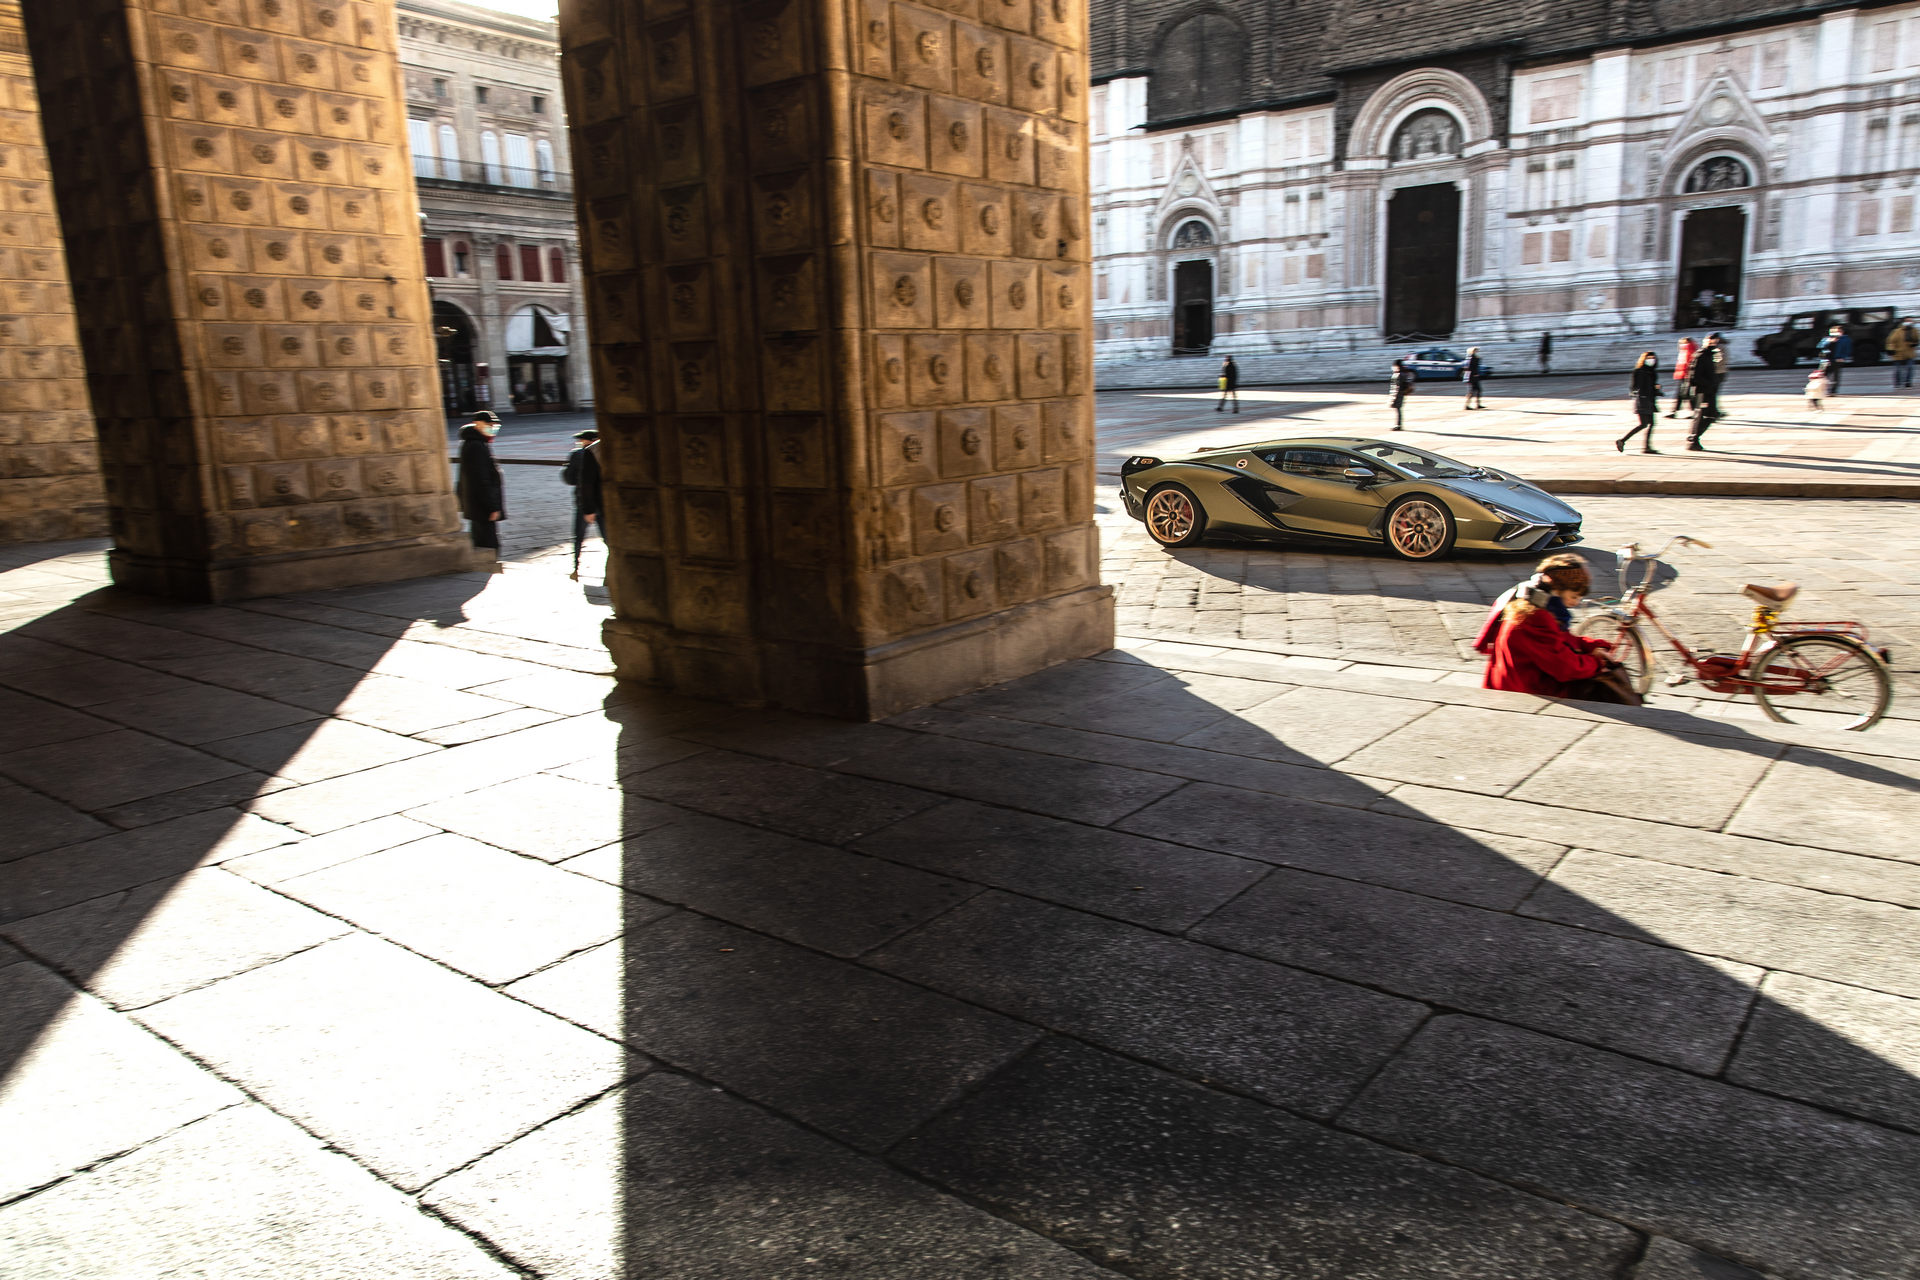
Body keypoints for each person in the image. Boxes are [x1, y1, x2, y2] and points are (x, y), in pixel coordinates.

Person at [1473, 554, 1632, 703]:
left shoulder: (1530, 606)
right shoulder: (1535, 617)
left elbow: (1560, 640)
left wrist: (1591, 647)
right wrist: (1597, 663)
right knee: (1607, 691)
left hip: (1518, 680)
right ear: (1556, 591)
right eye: (1574, 596)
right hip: (1525, 690)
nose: (1576, 602)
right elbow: (1564, 667)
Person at [456, 410, 504, 563]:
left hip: (476, 505)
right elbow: (481, 479)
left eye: (494, 426)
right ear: (477, 424)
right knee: (489, 545)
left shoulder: (474, 443)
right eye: (489, 425)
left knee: (482, 541)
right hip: (482, 507)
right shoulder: (476, 446)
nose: (492, 428)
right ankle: (486, 571)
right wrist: (492, 507)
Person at [560, 427, 603, 581]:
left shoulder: (578, 454)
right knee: (608, 539)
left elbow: (569, 479)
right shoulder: (603, 452)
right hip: (602, 504)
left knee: (578, 537)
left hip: (584, 504)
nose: (580, 442)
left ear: (589, 441)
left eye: (582, 440)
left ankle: (575, 568)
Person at [1686, 333, 1727, 451]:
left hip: (1710, 391)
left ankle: (1694, 437)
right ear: (1706, 342)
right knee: (1701, 415)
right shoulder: (1700, 356)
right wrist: (1708, 384)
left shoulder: (1711, 355)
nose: (1714, 344)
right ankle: (1693, 439)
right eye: (1712, 342)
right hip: (1702, 392)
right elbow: (1694, 377)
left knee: (1712, 415)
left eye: (1716, 342)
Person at [1617, 351, 1661, 453]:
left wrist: (1657, 390)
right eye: (1649, 358)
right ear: (1644, 359)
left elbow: (1651, 386)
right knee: (1644, 424)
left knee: (1649, 424)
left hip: (1649, 400)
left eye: (1653, 358)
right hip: (1643, 400)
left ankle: (1645, 446)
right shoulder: (1640, 371)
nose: (1651, 360)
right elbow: (1635, 387)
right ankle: (1623, 441)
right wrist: (1642, 394)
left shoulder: (1651, 371)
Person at [1815, 324, 1852, 396]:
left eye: (1838, 332)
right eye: (1833, 332)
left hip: (1837, 360)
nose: (1835, 334)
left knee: (1835, 376)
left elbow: (1848, 350)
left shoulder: (1845, 339)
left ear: (1841, 332)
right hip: (1825, 360)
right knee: (1822, 375)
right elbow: (1819, 346)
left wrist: (1842, 357)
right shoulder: (1827, 339)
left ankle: (1833, 391)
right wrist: (1829, 341)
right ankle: (1821, 390)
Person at [1666, 336, 1697, 418]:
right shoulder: (1685, 351)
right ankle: (1675, 412)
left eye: (1684, 342)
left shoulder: (1689, 351)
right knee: (1683, 395)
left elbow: (1689, 364)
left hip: (1687, 376)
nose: (1682, 344)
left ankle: (1693, 412)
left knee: (1687, 395)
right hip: (1684, 375)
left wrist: (1687, 375)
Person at [1887, 315, 1917, 389]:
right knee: (1898, 369)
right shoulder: (1897, 331)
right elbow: (1891, 341)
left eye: (1910, 321)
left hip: (1909, 353)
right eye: (1907, 321)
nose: (1909, 322)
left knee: (1910, 367)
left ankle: (1908, 382)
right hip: (1898, 353)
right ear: (1903, 322)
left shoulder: (1914, 330)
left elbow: (1916, 339)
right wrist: (1890, 349)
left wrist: (1914, 343)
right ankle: (1898, 383)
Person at [1388, 357, 1415, 430]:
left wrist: (1394, 397)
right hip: (1400, 394)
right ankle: (1398, 425)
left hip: (1398, 394)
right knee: (1398, 410)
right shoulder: (1402, 373)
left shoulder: (1398, 375)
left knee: (1398, 410)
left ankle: (1398, 425)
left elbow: (1397, 387)